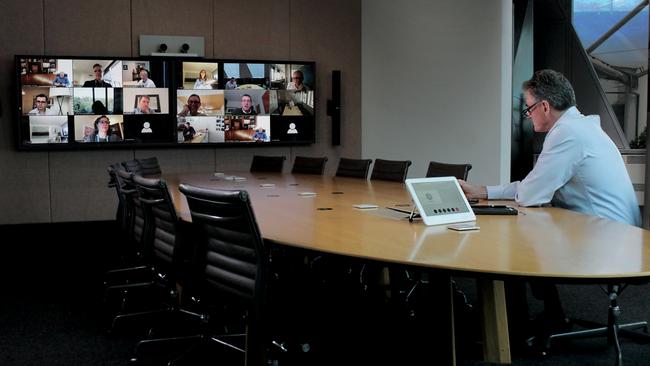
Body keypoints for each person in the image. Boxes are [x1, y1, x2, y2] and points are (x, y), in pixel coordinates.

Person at [459, 69, 641, 337]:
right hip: (616, 234)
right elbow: (534, 186)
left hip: (608, 241)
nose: (528, 115)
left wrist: (484, 191)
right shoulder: (580, 127)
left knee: (514, 239)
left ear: (544, 106)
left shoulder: (567, 133)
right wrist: (482, 190)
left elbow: (531, 194)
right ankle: (550, 315)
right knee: (532, 231)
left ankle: (512, 328)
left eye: (529, 109)